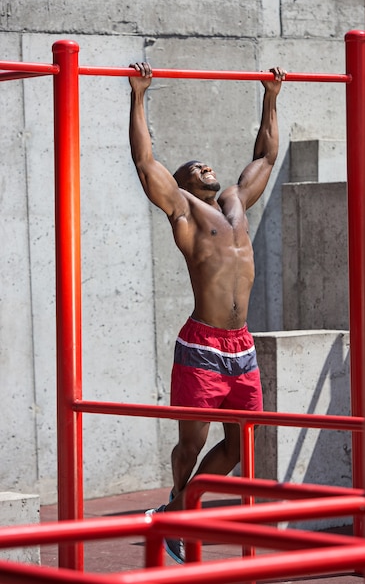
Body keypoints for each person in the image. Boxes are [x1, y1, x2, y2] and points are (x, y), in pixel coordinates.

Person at [128, 61, 286, 563]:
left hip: (242, 346)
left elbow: (266, 154)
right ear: (179, 184)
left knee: (241, 448)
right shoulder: (185, 214)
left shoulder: (236, 202)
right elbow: (145, 162)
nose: (203, 166)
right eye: (192, 167)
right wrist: (138, 96)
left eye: (205, 164)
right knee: (191, 443)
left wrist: (270, 95)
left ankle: (175, 510)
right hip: (202, 345)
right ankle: (177, 516)